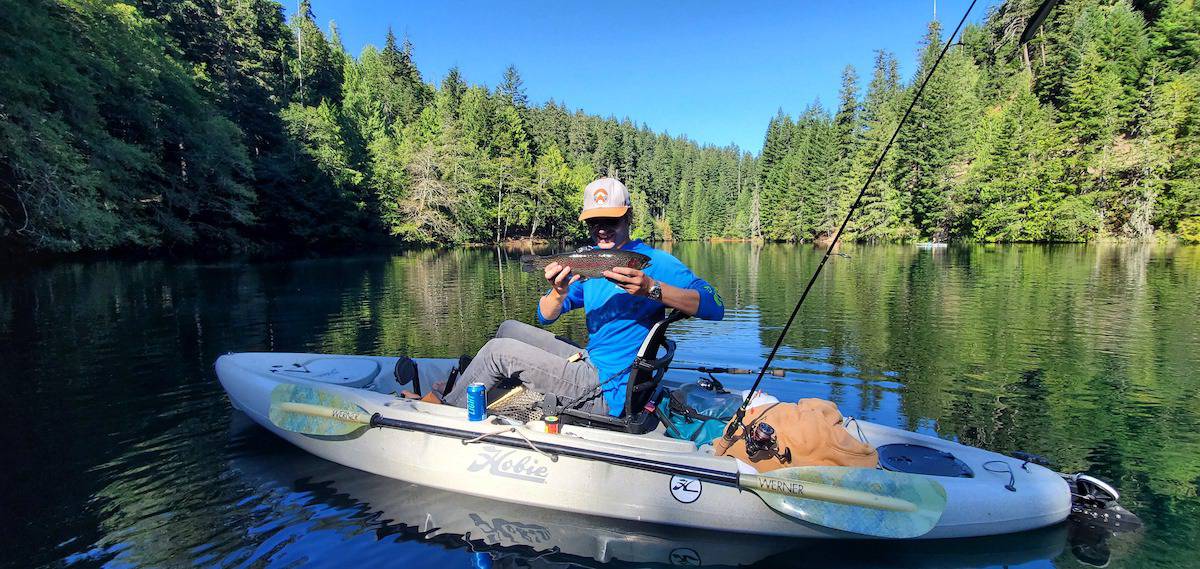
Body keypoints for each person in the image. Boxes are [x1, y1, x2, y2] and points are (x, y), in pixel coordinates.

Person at [441, 177, 725, 416]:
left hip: (608, 389)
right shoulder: (588, 263)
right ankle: (481, 388)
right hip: (592, 361)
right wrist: (558, 291)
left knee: (496, 352)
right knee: (508, 329)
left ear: (628, 217)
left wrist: (651, 288)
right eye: (594, 222)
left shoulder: (651, 261)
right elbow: (545, 316)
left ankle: (446, 414)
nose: (601, 228)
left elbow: (715, 306)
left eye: (610, 220)